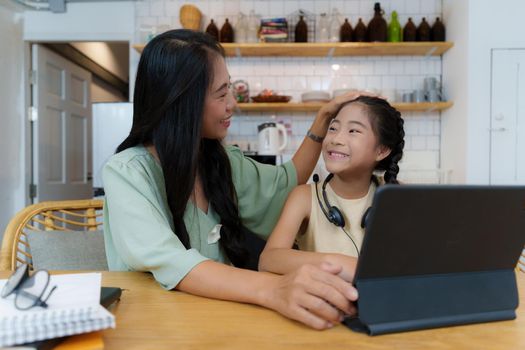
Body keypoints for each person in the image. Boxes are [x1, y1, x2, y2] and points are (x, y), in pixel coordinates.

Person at [102, 29, 365, 330]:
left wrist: (323, 120)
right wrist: (273, 289)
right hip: (154, 327)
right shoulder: (128, 172)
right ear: (182, 102)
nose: (231, 104)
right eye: (220, 93)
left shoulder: (220, 161)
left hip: (221, 323)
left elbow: (284, 185)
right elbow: (172, 262)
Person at [259, 96, 405, 282]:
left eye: (353, 131)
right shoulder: (303, 197)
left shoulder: (396, 195)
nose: (336, 139)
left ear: (382, 150)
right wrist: (339, 263)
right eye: (333, 128)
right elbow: (268, 260)